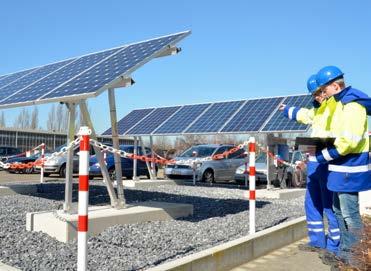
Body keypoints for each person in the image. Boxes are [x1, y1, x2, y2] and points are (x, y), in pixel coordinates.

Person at [313, 66, 371, 268]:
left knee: (349, 215)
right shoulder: (342, 104)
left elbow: (350, 142)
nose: (323, 94)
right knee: (339, 212)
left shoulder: (352, 106)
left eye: (325, 89)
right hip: (340, 169)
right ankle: (346, 256)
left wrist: (323, 155)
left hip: (350, 169)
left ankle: (356, 260)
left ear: (335, 86)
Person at [279, 74, 340, 254]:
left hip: (329, 162)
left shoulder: (338, 108)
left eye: (319, 93)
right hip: (314, 163)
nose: (316, 97)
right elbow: (304, 115)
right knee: (312, 202)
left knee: (330, 205)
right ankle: (317, 241)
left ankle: (334, 247)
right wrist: (286, 109)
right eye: (314, 94)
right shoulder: (319, 110)